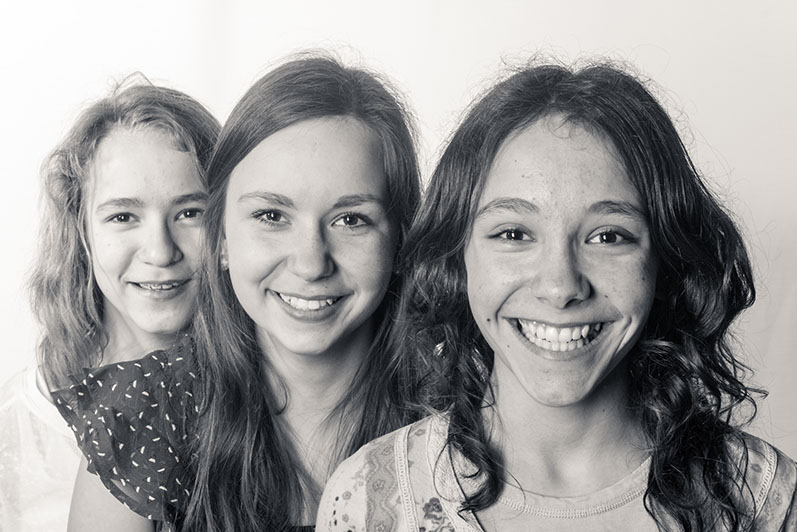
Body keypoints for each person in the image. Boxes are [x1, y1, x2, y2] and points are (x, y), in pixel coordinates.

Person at [317, 61, 797, 531]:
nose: (560, 287)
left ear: (664, 262)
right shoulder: (367, 500)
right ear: (457, 256)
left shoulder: (767, 503)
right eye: (513, 234)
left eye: (608, 236)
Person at [56, 54, 423, 531]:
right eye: (272, 216)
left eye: (351, 219)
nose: (311, 264)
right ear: (222, 239)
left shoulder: (459, 401)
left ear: (400, 237)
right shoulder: (145, 414)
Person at [0, 80, 219, 531]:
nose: (160, 251)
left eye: (189, 213)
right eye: (123, 216)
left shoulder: (270, 396)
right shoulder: (16, 432)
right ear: (79, 231)